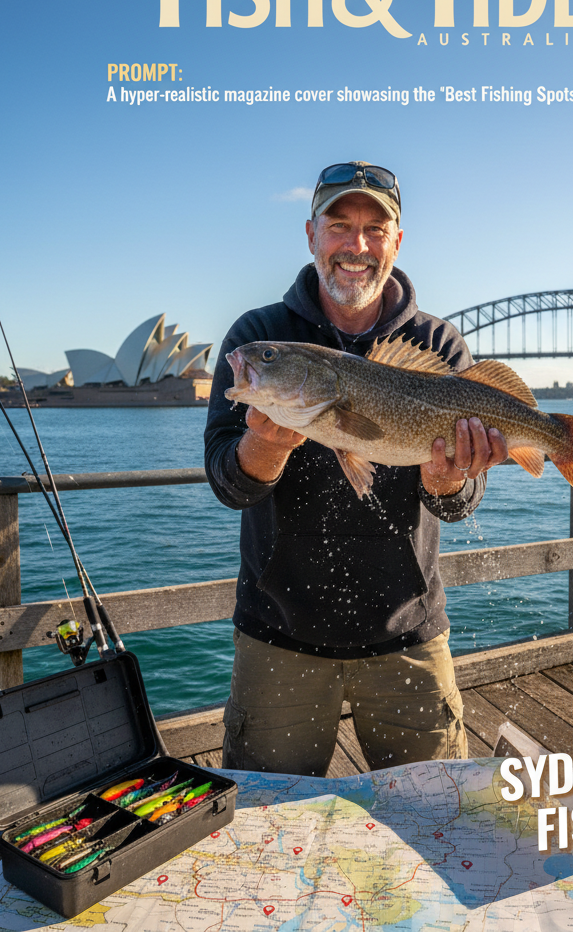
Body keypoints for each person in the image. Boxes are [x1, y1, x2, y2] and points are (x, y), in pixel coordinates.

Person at [204, 161, 508, 776]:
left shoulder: (438, 345)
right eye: (340, 225)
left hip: (409, 635)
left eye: (376, 228)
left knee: (441, 820)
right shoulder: (258, 335)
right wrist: (267, 448)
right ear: (311, 234)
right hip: (277, 639)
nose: (357, 245)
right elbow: (225, 481)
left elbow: (458, 502)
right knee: (266, 823)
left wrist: (450, 478)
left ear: (397, 241)